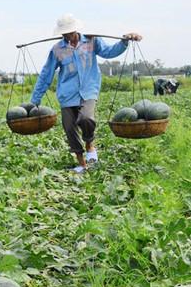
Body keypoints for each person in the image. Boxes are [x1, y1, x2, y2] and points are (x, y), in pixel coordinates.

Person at [30, 14, 142, 174]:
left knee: (86, 118)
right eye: (64, 33)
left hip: (88, 90)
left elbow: (109, 52)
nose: (67, 35)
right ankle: (82, 163)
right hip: (67, 94)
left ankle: (89, 143)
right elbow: (46, 74)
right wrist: (35, 99)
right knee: (69, 128)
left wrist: (124, 42)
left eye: (69, 32)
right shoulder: (57, 50)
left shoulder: (92, 41)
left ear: (76, 29)